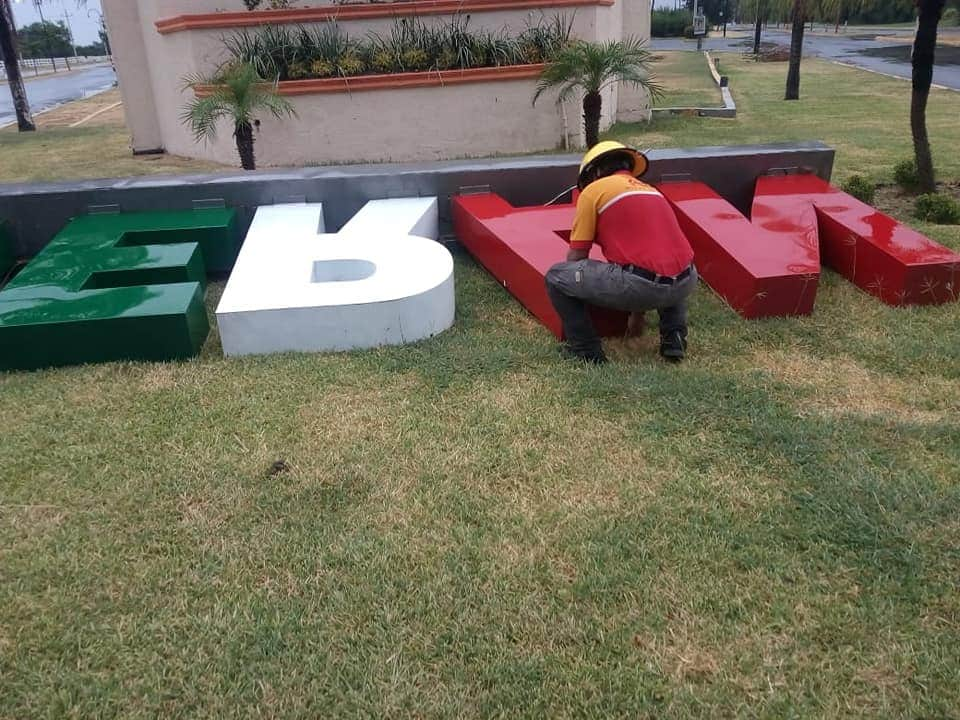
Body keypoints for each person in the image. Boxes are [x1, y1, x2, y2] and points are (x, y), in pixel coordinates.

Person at [545, 141, 698, 365]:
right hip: (686, 282)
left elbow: (577, 256)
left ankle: (585, 349)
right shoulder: (652, 191)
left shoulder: (594, 191)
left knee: (557, 276)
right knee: (668, 265)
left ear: (595, 171)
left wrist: (577, 279)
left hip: (643, 286)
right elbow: (653, 258)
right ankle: (674, 337)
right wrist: (637, 315)